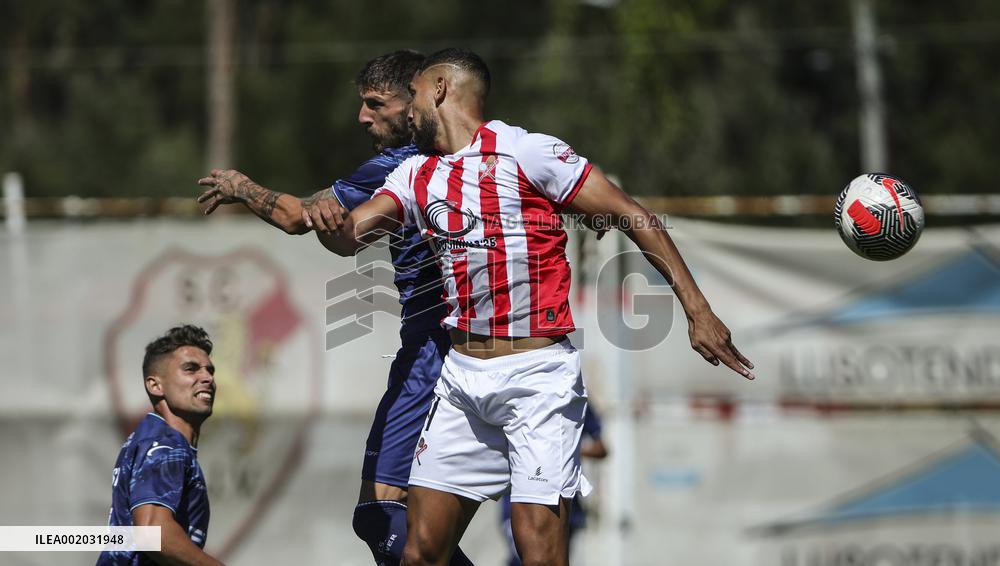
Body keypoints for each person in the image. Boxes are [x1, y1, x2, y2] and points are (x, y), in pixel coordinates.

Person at [314, 47, 755, 566]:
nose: (405, 108)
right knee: (420, 552)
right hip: (461, 379)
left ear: (438, 89)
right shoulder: (418, 173)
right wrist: (329, 222)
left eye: (412, 94)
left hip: (535, 378)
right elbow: (350, 238)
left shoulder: (526, 152)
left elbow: (630, 213)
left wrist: (697, 309)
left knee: (537, 548)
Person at [195, 51, 474, 566]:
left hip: (436, 350)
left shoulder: (401, 164)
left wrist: (241, 187)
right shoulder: (490, 152)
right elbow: (335, 230)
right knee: (424, 528)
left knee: (384, 515)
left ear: (415, 98)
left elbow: (298, 216)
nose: (362, 117)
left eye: (375, 104)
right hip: (484, 346)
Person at [96, 325, 223, 566]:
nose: (207, 378)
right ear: (155, 386)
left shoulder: (153, 439)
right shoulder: (164, 445)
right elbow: (153, 532)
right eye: (191, 369)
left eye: (210, 370)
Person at [499, 404, 608, 566]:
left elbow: (602, 448)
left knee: (555, 559)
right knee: (526, 558)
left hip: (563, 505)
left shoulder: (573, 397)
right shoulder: (512, 392)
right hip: (520, 500)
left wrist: (566, 451)